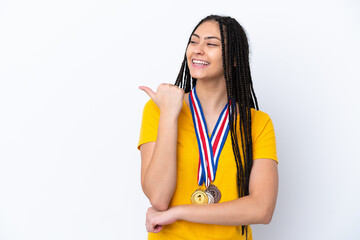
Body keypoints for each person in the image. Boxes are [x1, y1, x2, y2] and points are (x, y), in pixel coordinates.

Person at [137, 14, 278, 240]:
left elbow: (262, 209)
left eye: (211, 43)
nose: (198, 49)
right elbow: (158, 198)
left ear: (234, 59)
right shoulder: (159, 110)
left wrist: (178, 212)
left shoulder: (258, 123)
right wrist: (169, 115)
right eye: (194, 41)